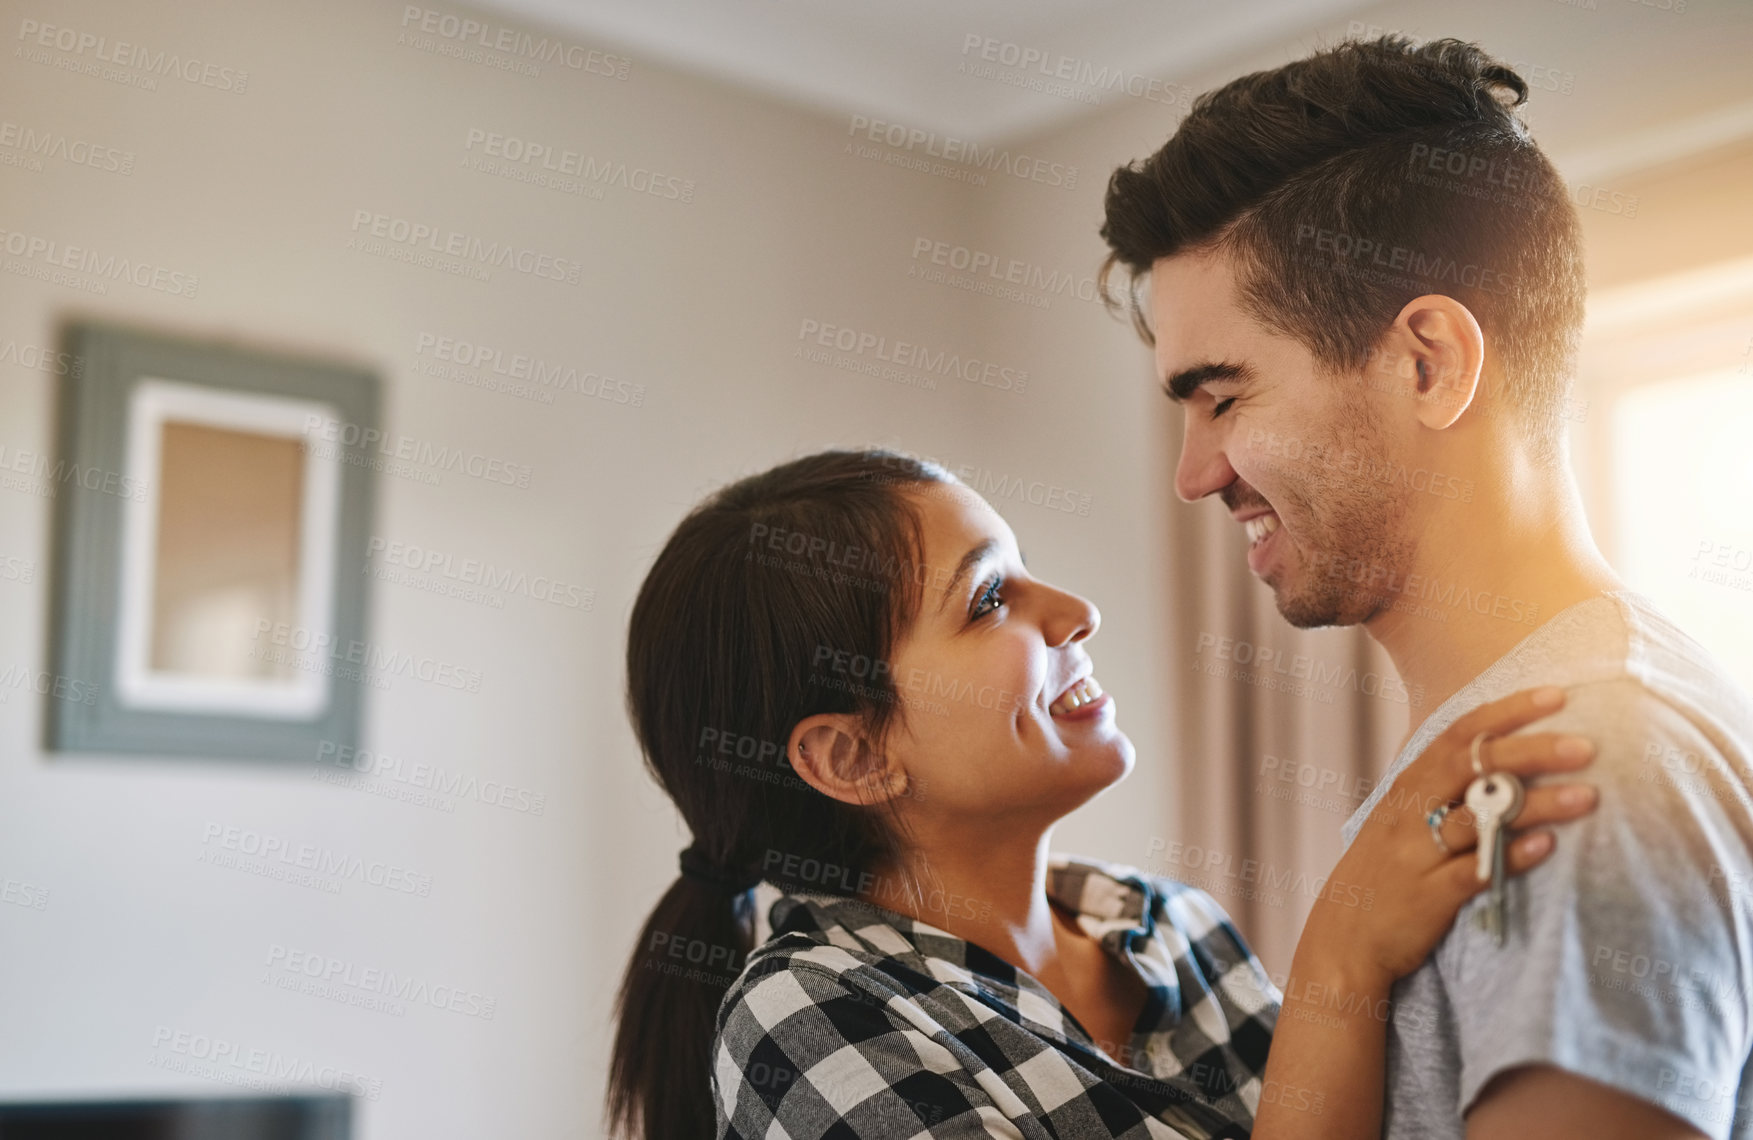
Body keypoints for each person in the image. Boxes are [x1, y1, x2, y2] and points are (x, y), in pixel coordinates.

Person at [1099, 33, 1753, 1140]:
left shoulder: (1577, 768)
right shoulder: (1491, 752)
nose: (1193, 473)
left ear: (1428, 363)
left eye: (1222, 397)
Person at [604, 447, 1600, 1139]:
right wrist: (1340, 960)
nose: (1076, 612)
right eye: (989, 598)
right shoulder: (808, 1017)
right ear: (854, 758)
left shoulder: (1174, 928)